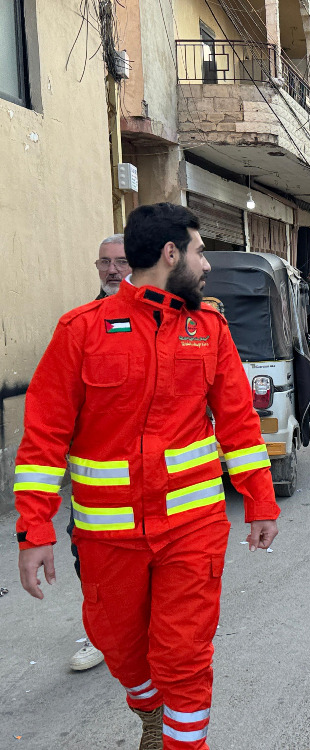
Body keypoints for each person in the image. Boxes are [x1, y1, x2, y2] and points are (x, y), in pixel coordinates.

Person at [15, 202, 279, 749]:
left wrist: (260, 502)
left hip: (192, 529)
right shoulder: (80, 332)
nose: (206, 266)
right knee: (121, 649)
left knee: (182, 656)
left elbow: (238, 424)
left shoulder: (209, 329)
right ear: (169, 254)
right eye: (200, 252)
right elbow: (43, 440)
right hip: (108, 538)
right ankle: (149, 712)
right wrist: (34, 530)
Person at [67, 236, 132, 673]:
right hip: (98, 483)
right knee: (89, 559)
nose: (111, 270)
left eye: (121, 262)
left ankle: (135, 633)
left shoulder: (167, 319)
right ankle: (101, 634)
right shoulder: (79, 325)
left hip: (157, 478)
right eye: (104, 263)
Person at [96, 234, 130, 299]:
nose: (111, 270)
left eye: (122, 262)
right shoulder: (94, 308)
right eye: (105, 262)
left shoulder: (153, 307)